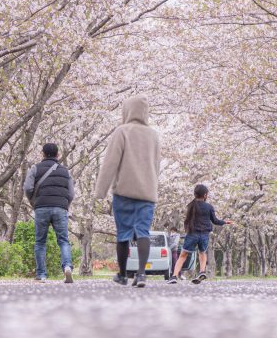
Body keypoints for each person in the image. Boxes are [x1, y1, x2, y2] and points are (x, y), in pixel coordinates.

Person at [93, 95, 160, 288]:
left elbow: (110, 163)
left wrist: (101, 191)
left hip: (124, 191)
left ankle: (122, 275)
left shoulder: (122, 131)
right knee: (143, 232)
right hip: (147, 192)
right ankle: (141, 274)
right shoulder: (153, 135)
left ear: (127, 110)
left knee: (123, 233)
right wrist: (153, 186)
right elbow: (156, 165)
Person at [23, 142, 75, 283]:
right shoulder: (65, 171)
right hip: (60, 208)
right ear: (58, 155)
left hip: (42, 207)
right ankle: (67, 267)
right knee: (63, 240)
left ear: (42, 154)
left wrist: (34, 202)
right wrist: (65, 205)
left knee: (40, 242)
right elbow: (71, 193)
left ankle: (41, 274)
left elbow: (27, 188)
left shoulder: (35, 168)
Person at [169, 183, 231, 284]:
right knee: (202, 253)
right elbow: (215, 221)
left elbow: (187, 220)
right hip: (204, 235)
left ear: (195, 194)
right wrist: (224, 222)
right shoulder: (209, 207)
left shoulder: (191, 206)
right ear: (205, 195)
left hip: (192, 234)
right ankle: (202, 271)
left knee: (183, 255)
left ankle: (174, 276)